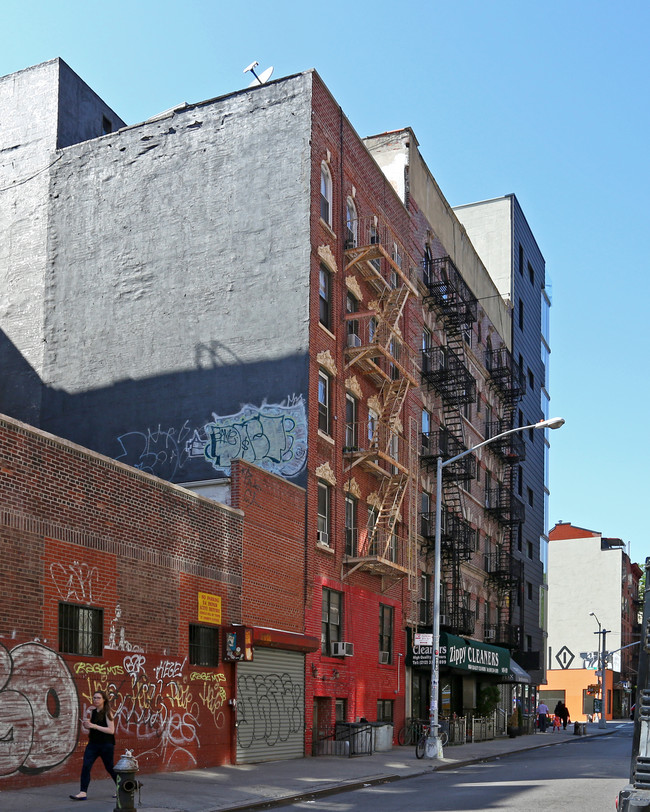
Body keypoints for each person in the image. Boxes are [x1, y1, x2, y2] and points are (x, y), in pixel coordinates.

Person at [70, 690, 117, 801]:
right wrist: (88, 726)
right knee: (86, 766)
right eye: (94, 697)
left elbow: (111, 730)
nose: (95, 700)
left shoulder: (108, 712)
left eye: (98, 698)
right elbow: (95, 727)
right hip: (93, 744)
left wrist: (94, 726)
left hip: (106, 745)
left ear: (104, 700)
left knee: (110, 768)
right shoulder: (94, 712)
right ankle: (83, 792)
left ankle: (122, 787)